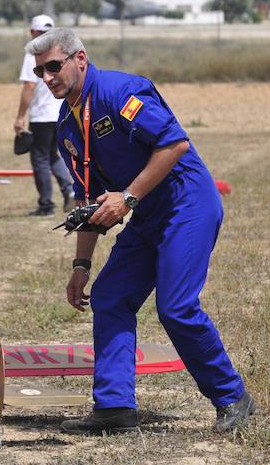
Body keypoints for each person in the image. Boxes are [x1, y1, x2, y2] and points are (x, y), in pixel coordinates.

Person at [25, 28, 256, 435]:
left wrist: (128, 198)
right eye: (39, 71)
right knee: (111, 295)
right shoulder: (66, 125)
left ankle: (233, 397)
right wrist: (81, 265)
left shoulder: (120, 91)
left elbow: (174, 144)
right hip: (145, 211)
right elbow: (90, 199)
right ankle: (115, 407)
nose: (47, 78)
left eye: (53, 67)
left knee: (176, 307)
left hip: (187, 204)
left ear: (80, 59)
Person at [14, 15, 75, 217]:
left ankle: (46, 204)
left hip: (41, 116)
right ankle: (70, 191)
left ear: (33, 32)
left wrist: (20, 117)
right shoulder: (58, 52)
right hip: (60, 113)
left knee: (39, 158)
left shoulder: (33, 54)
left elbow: (29, 86)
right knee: (52, 154)